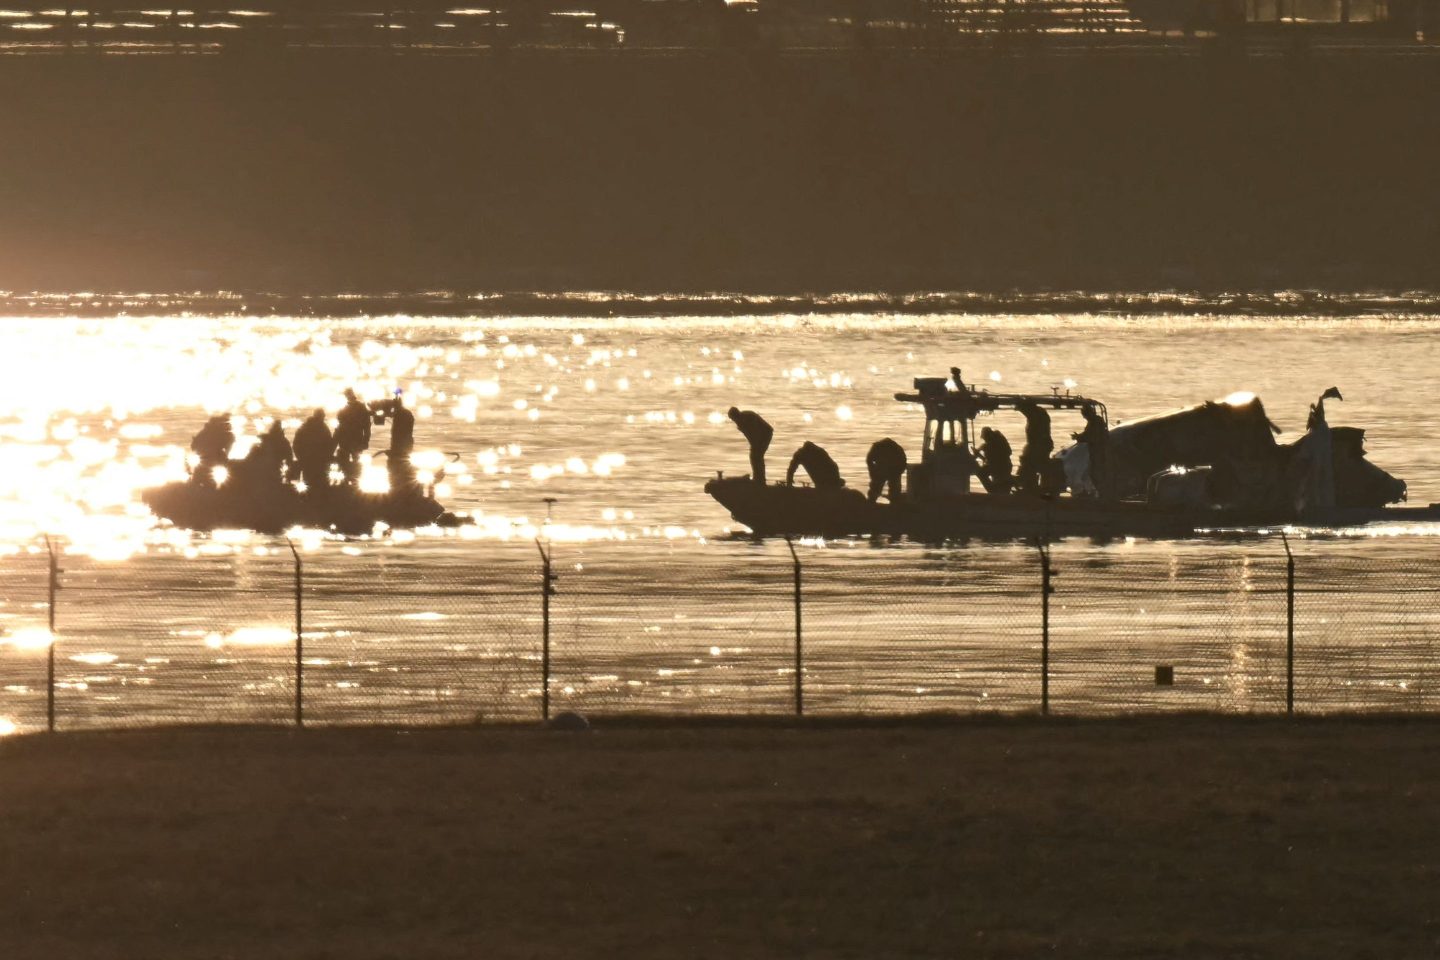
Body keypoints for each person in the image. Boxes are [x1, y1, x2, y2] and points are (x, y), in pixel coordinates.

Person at [374, 391, 417, 491]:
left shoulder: (402, 415)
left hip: (400, 452)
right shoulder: (405, 414)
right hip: (402, 450)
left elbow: (400, 435)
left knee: (396, 473)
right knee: (397, 472)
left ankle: (397, 491)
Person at [334, 388, 373, 486]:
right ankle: (353, 481)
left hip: (347, 441)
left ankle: (348, 481)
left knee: (347, 462)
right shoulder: (361, 407)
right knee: (355, 462)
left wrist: (335, 441)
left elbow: (339, 426)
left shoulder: (344, 410)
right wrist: (366, 440)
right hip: (356, 440)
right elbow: (367, 426)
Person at [292, 408, 335, 493]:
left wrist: (300, 458)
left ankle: (310, 501)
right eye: (322, 416)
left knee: (310, 484)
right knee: (318, 485)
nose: (323, 417)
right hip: (316, 462)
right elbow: (329, 445)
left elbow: (296, 444)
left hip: (311, 461)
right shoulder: (323, 428)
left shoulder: (305, 427)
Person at [728, 407, 774, 485]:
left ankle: (760, 479)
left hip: (766, 433)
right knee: (754, 455)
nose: (733, 420)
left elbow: (755, 431)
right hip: (757, 438)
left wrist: (756, 445)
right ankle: (757, 478)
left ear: (736, 415)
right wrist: (753, 445)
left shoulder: (748, 417)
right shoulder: (740, 422)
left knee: (758, 456)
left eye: (733, 418)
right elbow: (748, 435)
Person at [242, 420, 294, 489]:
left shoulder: (266, 439)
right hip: (276, 469)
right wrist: (289, 474)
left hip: (263, 469)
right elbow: (289, 458)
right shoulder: (283, 442)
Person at [1015, 399, 1053, 494]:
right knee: (1034, 464)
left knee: (1028, 463)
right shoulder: (1039, 413)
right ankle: (1033, 487)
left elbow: (1037, 432)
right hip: (1041, 444)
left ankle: (1031, 488)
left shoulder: (1036, 415)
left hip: (1040, 445)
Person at [1073, 402, 1109, 498]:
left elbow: (1092, 436)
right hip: (1096, 452)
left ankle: (1103, 494)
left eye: (1085, 415)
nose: (1085, 417)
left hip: (1099, 452)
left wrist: (1079, 438)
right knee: (1093, 472)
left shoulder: (1096, 421)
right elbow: (1087, 434)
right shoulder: (1094, 421)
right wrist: (1079, 436)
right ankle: (1099, 492)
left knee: (1097, 472)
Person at [189, 414, 234, 488]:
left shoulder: (206, 432)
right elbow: (226, 450)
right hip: (208, 461)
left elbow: (194, 446)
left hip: (206, 461)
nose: (227, 426)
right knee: (205, 481)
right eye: (225, 424)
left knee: (200, 481)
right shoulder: (220, 435)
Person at [865, 438, 907, 503]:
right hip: (881, 470)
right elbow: (869, 460)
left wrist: (898, 472)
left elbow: (903, 462)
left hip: (893, 470)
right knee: (876, 488)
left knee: (894, 489)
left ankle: (894, 503)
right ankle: (871, 502)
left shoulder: (896, 450)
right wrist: (872, 471)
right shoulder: (877, 448)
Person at [976, 426, 1013, 495]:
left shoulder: (990, 445)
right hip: (1005, 466)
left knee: (980, 473)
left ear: (987, 436)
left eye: (984, 438)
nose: (984, 440)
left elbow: (991, 459)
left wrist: (979, 453)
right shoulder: (998, 438)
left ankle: (993, 491)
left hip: (999, 467)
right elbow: (988, 459)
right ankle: (994, 490)